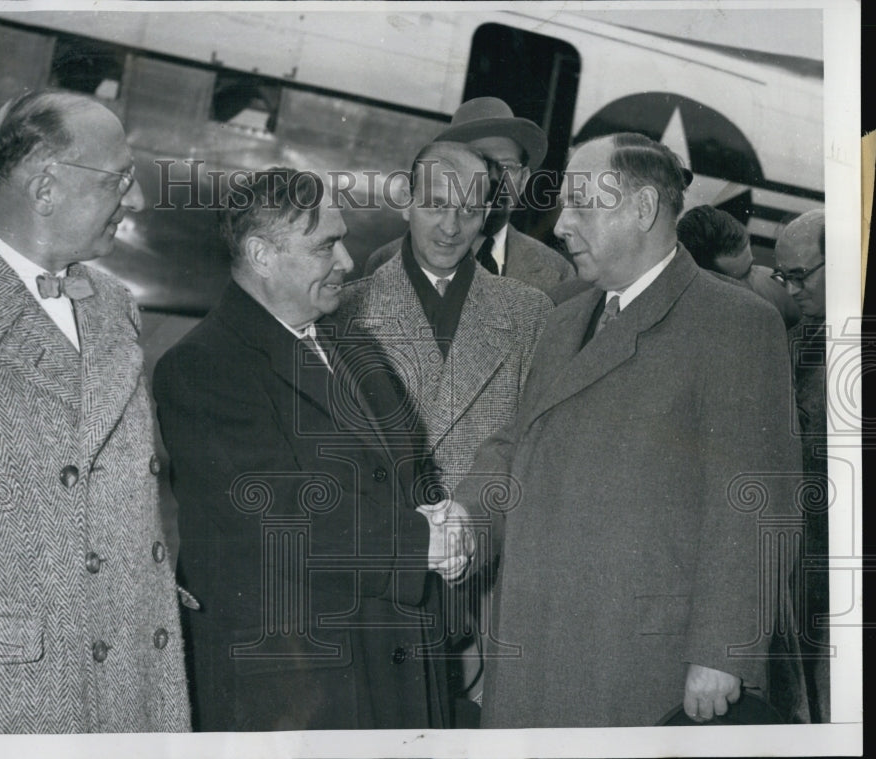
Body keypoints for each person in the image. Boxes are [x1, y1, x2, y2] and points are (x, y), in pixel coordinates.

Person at [447, 132, 800, 727]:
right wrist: (466, 522)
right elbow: (515, 444)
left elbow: (757, 500)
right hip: (533, 643)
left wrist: (723, 652)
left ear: (641, 210)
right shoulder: (562, 320)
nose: (561, 225)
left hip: (638, 659)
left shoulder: (735, 323)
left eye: (581, 205)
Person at [0, 90, 190, 733]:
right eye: (119, 177)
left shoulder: (114, 303)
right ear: (45, 186)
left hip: (133, 680)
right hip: (7, 698)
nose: (137, 199)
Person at [153, 168, 472, 731]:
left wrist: (446, 518)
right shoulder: (203, 367)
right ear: (261, 254)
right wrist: (428, 542)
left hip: (392, 659)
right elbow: (281, 512)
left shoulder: (348, 342)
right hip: (299, 691)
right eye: (326, 245)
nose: (348, 262)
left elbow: (408, 463)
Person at [340, 142, 550, 720]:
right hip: (386, 582)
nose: (452, 225)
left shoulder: (531, 313)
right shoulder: (345, 311)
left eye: (469, 208)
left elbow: (533, 452)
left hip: (486, 587)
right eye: (435, 204)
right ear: (406, 201)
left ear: (490, 213)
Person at [364, 97, 575, 295]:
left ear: (523, 180)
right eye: (478, 163)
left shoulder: (556, 273)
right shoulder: (387, 261)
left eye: (505, 167)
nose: (492, 179)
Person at [774, 208, 829, 723]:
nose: (791, 290)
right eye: (782, 277)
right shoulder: (793, 343)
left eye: (800, 276)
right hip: (803, 570)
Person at [677, 204, 801, 328]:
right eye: (737, 279)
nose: (751, 284)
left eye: (750, 267)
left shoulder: (774, 287)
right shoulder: (686, 322)